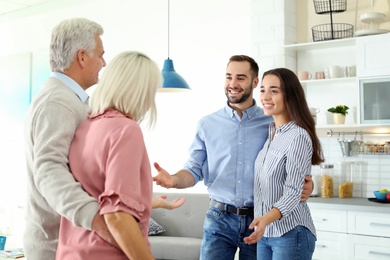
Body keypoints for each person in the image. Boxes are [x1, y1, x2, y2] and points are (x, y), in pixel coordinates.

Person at [24, 18, 184, 260]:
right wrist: (100, 221)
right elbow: (48, 171)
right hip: (57, 242)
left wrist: (143, 203)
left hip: (72, 244)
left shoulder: (87, 114)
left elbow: (92, 181)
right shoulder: (58, 102)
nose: (103, 62)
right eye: (100, 55)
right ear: (81, 57)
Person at [153, 55, 313, 260]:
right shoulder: (207, 124)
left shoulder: (272, 121)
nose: (233, 84)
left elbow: (293, 162)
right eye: (229, 77)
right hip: (219, 218)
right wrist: (174, 179)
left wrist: (307, 184)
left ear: (255, 82)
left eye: (240, 78)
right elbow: (193, 169)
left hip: (261, 219)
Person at [56, 50, 161, 259]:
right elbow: (117, 215)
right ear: (141, 91)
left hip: (70, 252)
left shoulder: (86, 125)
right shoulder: (126, 130)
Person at [243, 68, 324, 259]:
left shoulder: (298, 136)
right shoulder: (271, 134)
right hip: (266, 233)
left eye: (274, 90)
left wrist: (265, 219)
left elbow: (293, 193)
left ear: (290, 95)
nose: (265, 96)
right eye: (262, 90)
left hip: (291, 232)